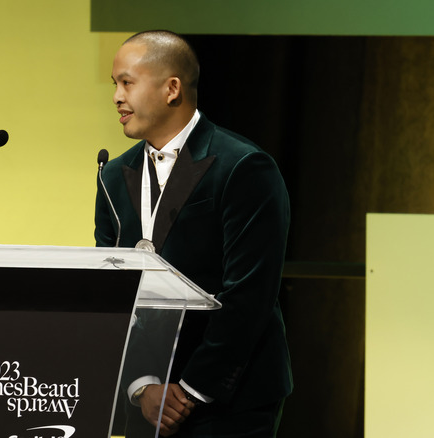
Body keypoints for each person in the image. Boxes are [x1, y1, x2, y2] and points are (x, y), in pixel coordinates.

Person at [95, 31, 292, 437]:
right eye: (114, 84)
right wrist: (142, 385)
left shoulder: (243, 166)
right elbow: (113, 289)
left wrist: (188, 390)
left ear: (172, 89)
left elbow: (249, 294)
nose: (116, 96)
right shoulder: (113, 175)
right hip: (145, 400)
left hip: (229, 400)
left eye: (127, 82)